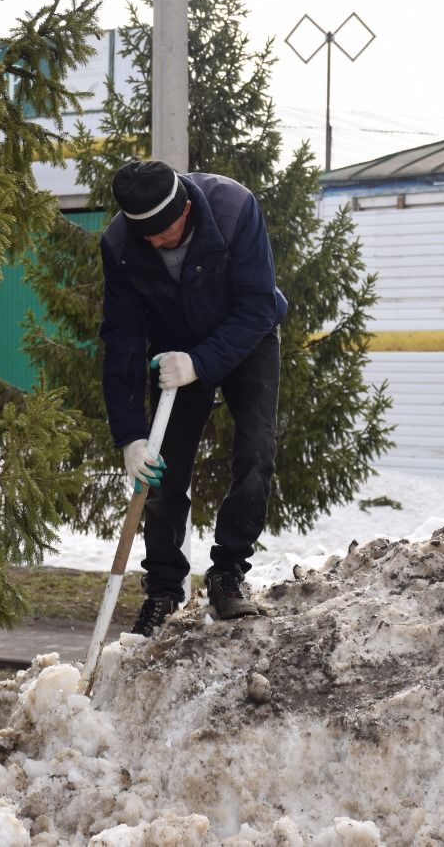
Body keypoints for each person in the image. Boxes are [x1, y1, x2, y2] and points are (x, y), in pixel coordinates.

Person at [99, 159, 287, 636]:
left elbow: (259, 305)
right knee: (161, 470)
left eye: (166, 235)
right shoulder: (121, 244)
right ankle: (163, 591)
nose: (157, 245)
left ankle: (228, 572)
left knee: (255, 451)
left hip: (246, 337)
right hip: (172, 347)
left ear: (186, 207)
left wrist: (200, 363)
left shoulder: (234, 209)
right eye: (148, 239)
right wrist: (130, 437)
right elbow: (120, 339)